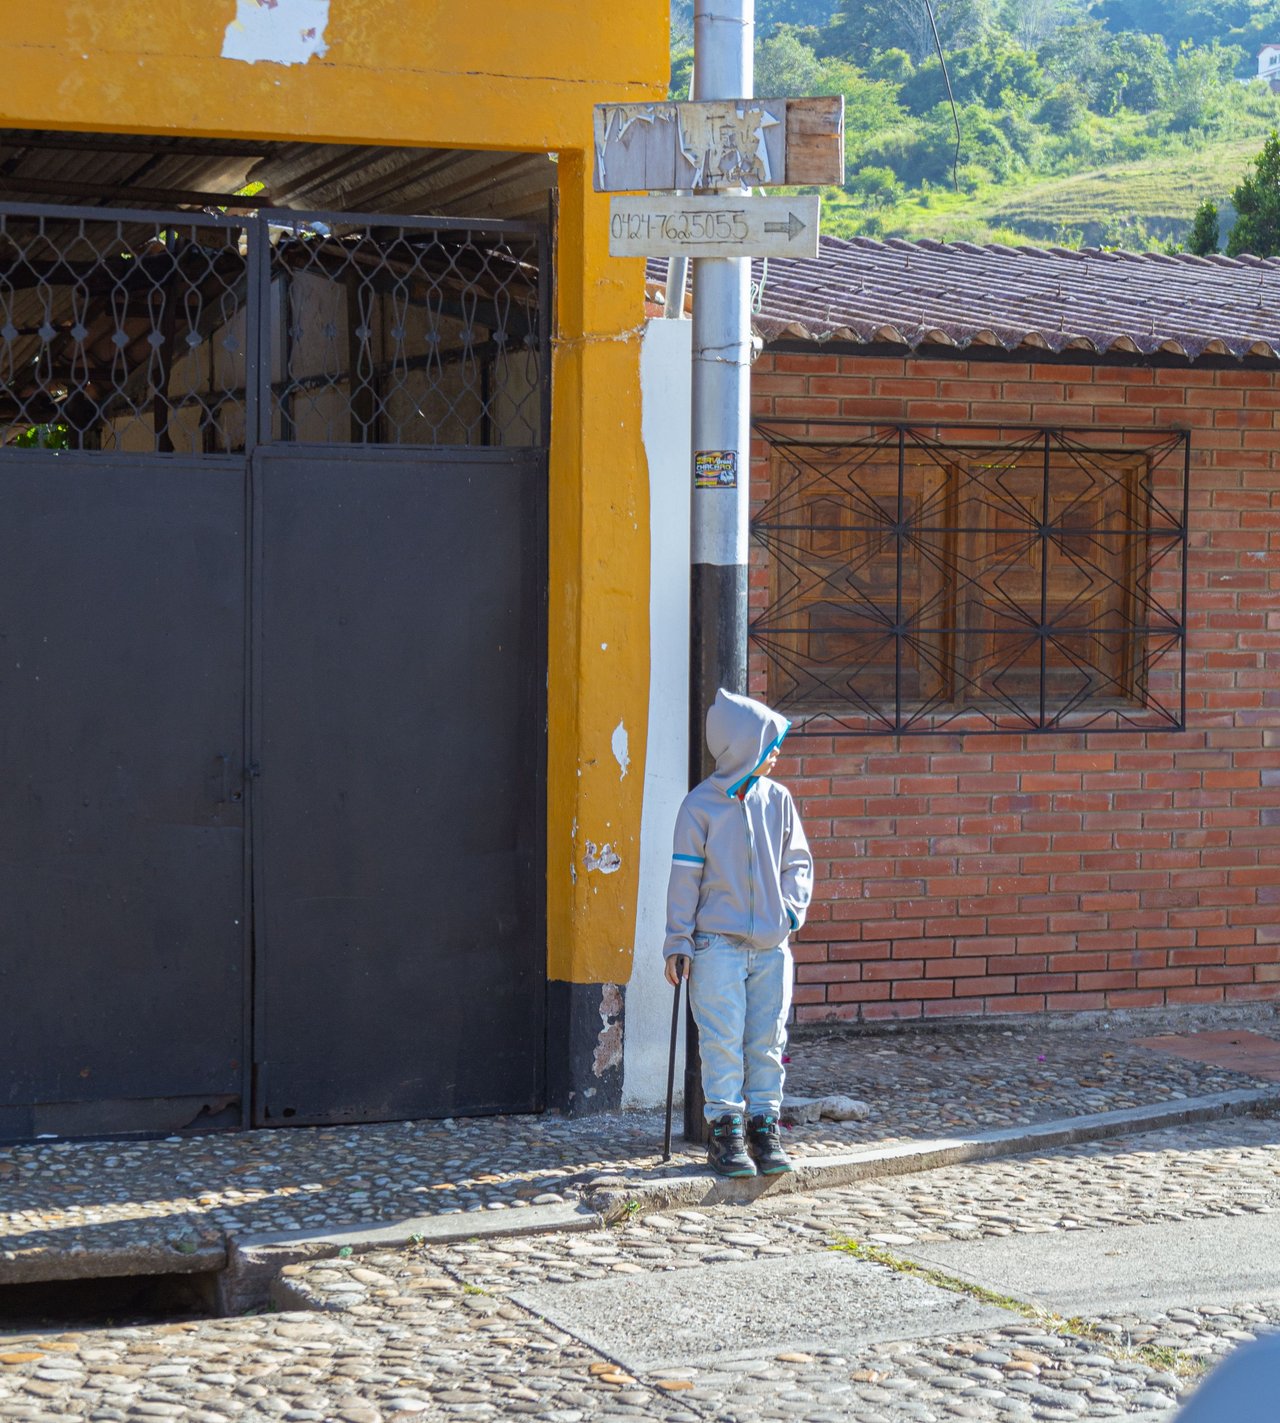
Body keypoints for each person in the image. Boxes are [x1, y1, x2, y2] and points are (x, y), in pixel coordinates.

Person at [663, 688, 814, 1178]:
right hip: (715, 947)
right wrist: (678, 940)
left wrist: (789, 913)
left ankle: (764, 1128)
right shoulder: (699, 807)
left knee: (767, 1040)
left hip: (772, 948)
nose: (777, 752)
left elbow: (798, 863)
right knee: (721, 1041)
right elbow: (684, 879)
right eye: (769, 743)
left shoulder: (780, 801)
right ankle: (726, 1133)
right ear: (743, 747)